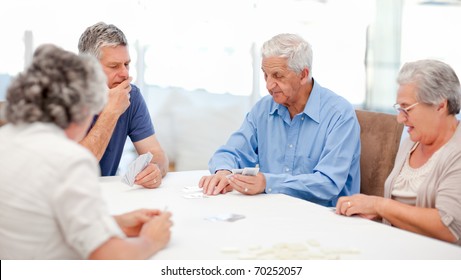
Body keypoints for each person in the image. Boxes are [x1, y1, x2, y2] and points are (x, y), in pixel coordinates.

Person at [0, 44, 172, 259]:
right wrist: (150, 240)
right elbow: (111, 259)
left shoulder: (6, 141)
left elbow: (37, 219)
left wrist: (113, 223)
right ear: (83, 108)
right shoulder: (69, 160)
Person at [199, 33, 361, 207]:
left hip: (325, 219)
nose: (269, 85)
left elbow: (328, 184)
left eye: (278, 76)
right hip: (273, 213)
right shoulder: (263, 109)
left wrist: (267, 183)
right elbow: (231, 152)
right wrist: (224, 171)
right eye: (265, 75)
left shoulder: (339, 115)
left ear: (303, 74)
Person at [336, 59, 461, 245]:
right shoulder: (411, 143)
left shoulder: (456, 152)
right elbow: (399, 214)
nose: (400, 119)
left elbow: (450, 228)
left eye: (406, 108)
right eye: (398, 108)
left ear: (440, 106)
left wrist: (379, 206)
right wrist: (374, 211)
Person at [78, 22, 168, 188]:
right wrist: (111, 111)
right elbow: (77, 167)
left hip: (107, 194)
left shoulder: (131, 96)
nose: (125, 74)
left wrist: (155, 169)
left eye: (126, 64)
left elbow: (157, 154)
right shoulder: (63, 99)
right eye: (114, 66)